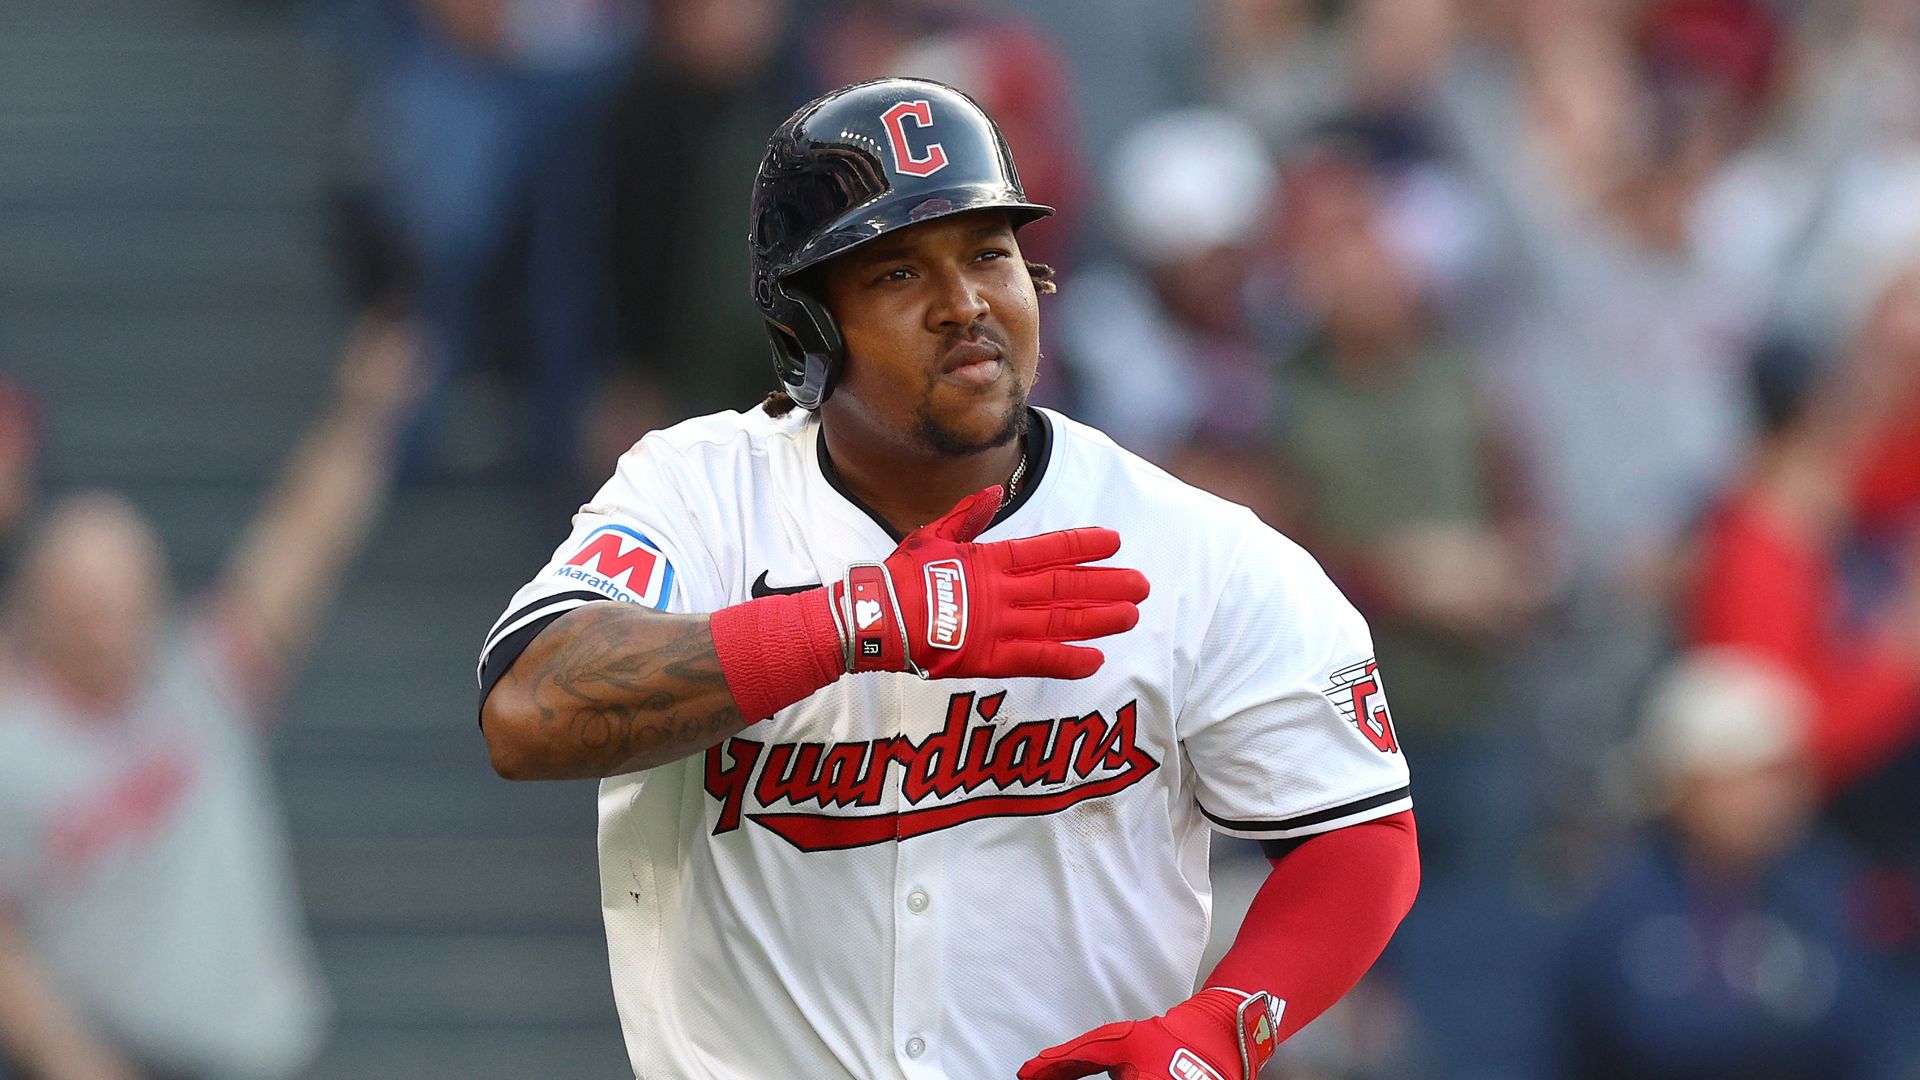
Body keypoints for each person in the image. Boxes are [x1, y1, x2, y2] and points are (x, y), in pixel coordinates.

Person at [477, 78, 1419, 1080]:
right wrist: (853, 622)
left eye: (989, 253)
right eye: (896, 272)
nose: (965, 302)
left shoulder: (1189, 548)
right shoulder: (701, 494)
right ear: (808, 324)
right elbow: (529, 709)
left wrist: (1227, 1023)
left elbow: (1358, 832)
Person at [0, 316, 423, 1080]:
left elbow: (300, 546)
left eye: (126, 599)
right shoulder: (13, 742)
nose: (109, 625)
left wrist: (364, 411)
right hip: (127, 1056)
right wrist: (68, 1056)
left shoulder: (198, 680)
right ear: (37, 613)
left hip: (268, 1048)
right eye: (84, 604)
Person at [1550, 649, 1899, 1080]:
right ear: (1681, 783)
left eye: (1784, 775)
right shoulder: (1614, 901)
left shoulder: (1830, 890)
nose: (1770, 799)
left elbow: (1869, 1038)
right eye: (1746, 776)